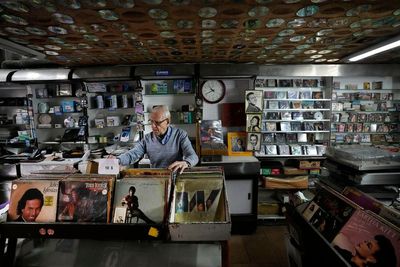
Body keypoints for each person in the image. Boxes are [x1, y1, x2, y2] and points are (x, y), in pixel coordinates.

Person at [117, 105, 198, 173]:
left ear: (168, 121)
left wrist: (186, 162)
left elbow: (193, 156)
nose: (153, 126)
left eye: (157, 122)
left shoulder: (180, 135)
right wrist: (117, 160)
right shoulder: (147, 139)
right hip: (156, 178)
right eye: (151, 122)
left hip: (175, 177)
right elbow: (132, 154)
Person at [332, 233, 397, 267]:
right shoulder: (346, 253)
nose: (363, 242)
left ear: (372, 259)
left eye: (368, 245)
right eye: (366, 241)